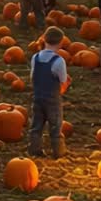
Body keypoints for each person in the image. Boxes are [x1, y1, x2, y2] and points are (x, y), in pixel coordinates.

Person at [29, 27, 70, 158]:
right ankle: (58, 152)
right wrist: (66, 84)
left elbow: (32, 77)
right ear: (60, 43)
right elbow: (63, 80)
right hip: (53, 100)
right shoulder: (59, 61)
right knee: (55, 126)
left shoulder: (35, 58)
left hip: (38, 97)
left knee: (36, 126)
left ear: (44, 39)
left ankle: (34, 150)